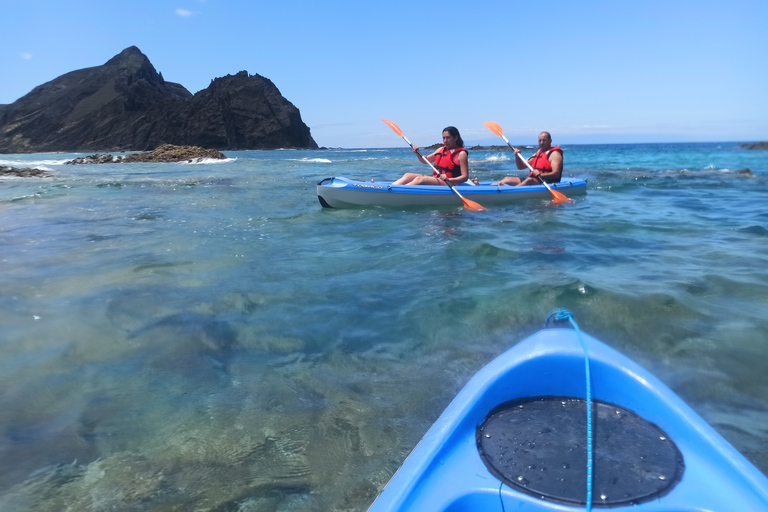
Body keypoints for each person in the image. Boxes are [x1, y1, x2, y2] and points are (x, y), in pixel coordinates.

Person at [393, 126, 469, 186]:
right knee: (408, 175)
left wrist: (449, 179)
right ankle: (392, 188)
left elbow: (465, 177)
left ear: (455, 138)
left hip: (450, 183)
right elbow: (425, 161)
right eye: (444, 138)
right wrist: (417, 152)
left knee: (421, 179)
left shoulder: (461, 154)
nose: (445, 141)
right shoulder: (440, 150)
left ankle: (400, 192)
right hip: (438, 180)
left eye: (448, 138)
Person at [493, 131, 563, 186]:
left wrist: (540, 175)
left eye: (544, 140)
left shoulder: (555, 154)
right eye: (540, 141)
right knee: (507, 179)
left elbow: (556, 174)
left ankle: (509, 192)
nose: (541, 143)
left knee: (529, 180)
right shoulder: (538, 153)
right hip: (535, 180)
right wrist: (517, 156)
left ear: (550, 141)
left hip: (548, 181)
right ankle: (487, 188)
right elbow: (521, 166)